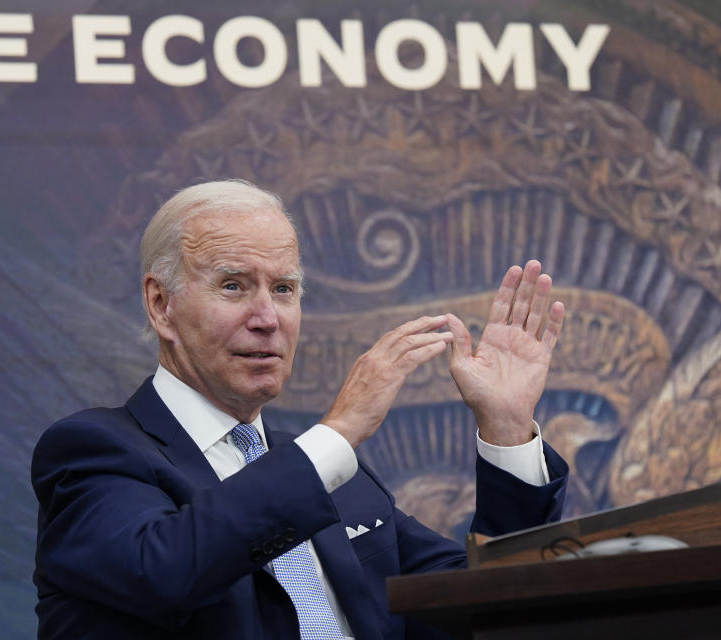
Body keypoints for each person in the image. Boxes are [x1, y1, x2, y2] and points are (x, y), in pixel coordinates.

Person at [31, 180, 568, 639]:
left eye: (284, 288)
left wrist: (506, 427)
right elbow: (166, 573)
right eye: (233, 285)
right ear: (161, 305)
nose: (267, 318)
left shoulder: (337, 477)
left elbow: (482, 604)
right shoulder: (94, 453)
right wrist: (338, 434)